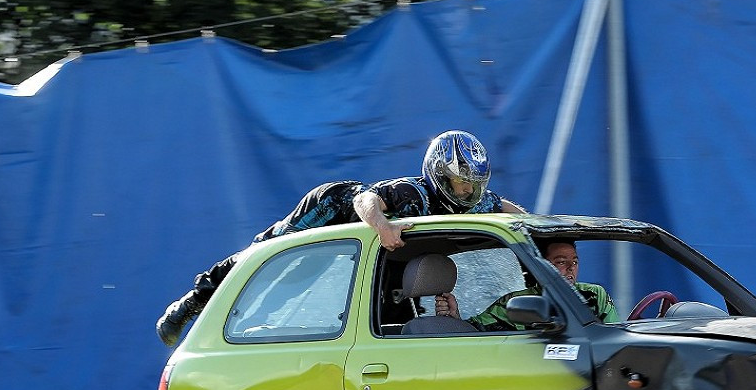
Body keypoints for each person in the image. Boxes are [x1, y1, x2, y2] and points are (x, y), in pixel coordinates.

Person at [156, 130, 525, 346]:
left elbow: (507, 208)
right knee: (261, 257)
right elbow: (365, 199)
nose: (467, 195)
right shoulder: (412, 193)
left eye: (474, 187)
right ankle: (194, 300)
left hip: (372, 243)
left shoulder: (473, 200)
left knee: (301, 288)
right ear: (438, 176)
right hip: (333, 205)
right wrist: (382, 226)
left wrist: (535, 227)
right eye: (461, 185)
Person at [435, 240, 619, 330]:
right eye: (561, 262)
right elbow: (475, 331)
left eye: (575, 262)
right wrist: (455, 317)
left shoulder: (595, 295)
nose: (571, 268)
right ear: (541, 266)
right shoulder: (519, 301)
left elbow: (614, 333)